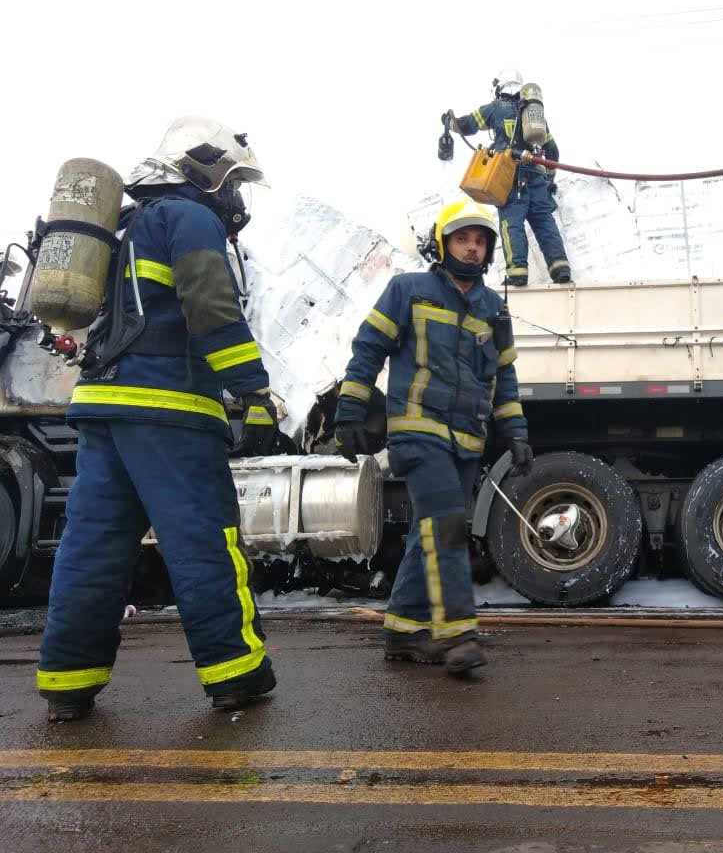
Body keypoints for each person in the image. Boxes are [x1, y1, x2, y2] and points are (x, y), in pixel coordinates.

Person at [36, 117, 279, 722]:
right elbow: (212, 308)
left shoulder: (125, 224)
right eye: (232, 180)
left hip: (104, 410)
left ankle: (67, 682)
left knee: (92, 549)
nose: (235, 195)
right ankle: (235, 673)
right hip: (170, 412)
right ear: (204, 168)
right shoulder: (188, 217)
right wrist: (252, 391)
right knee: (204, 543)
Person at [334, 198, 533, 676]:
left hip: (467, 438)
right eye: (463, 239)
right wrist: (350, 411)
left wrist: (516, 432)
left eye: (480, 241)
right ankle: (457, 634)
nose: (472, 248)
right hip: (418, 430)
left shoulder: (494, 309)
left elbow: (503, 377)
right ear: (442, 245)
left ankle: (403, 630)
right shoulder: (408, 290)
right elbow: (368, 348)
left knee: (428, 531)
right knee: (447, 526)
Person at [448, 68, 572, 286]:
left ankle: (517, 273)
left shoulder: (496, 108)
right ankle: (560, 268)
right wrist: (549, 180)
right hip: (538, 179)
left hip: (511, 177)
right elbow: (552, 151)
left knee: (511, 224)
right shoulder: (534, 115)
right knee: (545, 223)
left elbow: (466, 126)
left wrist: (448, 122)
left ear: (499, 87)